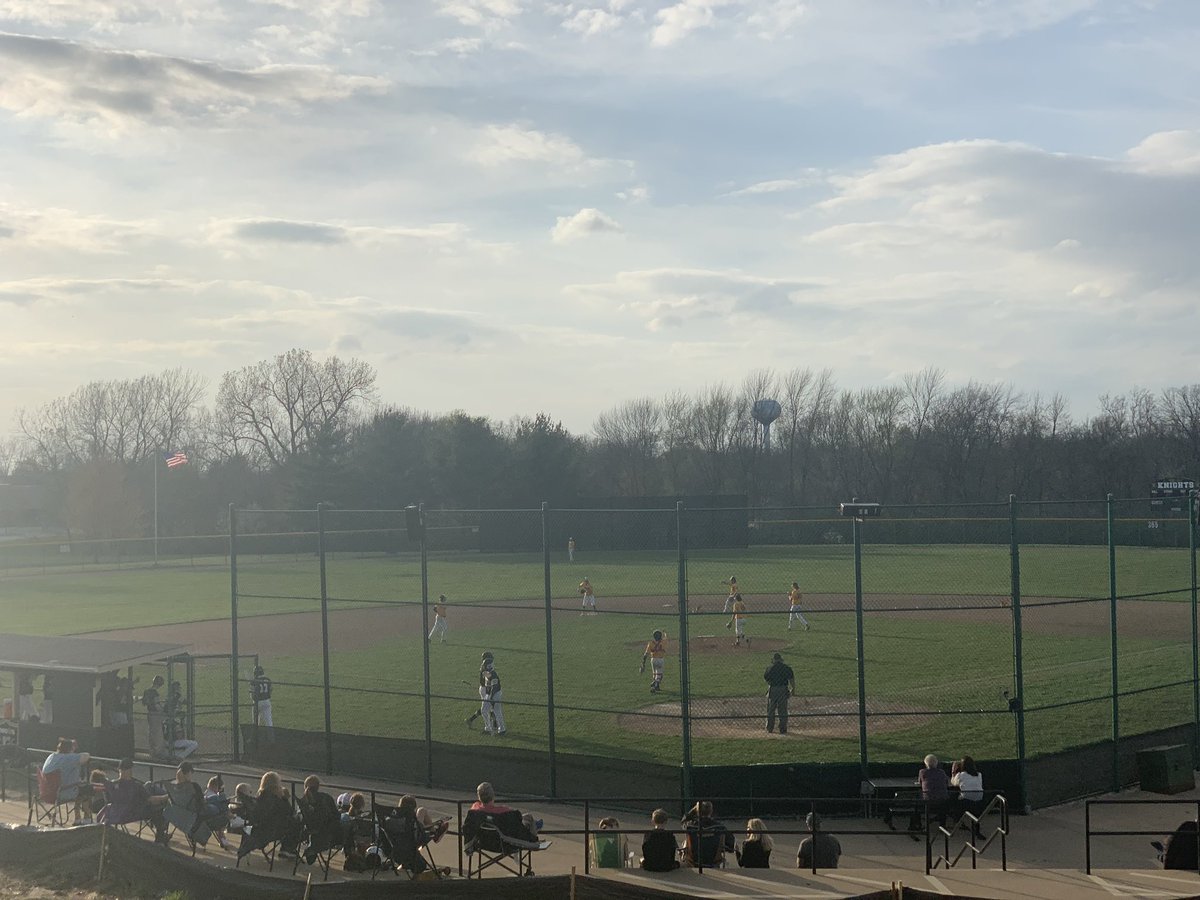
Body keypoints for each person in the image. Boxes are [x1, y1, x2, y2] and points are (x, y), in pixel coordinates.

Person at [97, 758, 169, 841]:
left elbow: (107, 798)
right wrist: (166, 797)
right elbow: (152, 800)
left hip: (115, 814)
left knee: (149, 786)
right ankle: (160, 836)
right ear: (130, 770)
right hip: (132, 813)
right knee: (158, 809)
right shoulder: (136, 786)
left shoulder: (111, 784)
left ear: (119, 769)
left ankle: (153, 788)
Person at [41, 737, 93, 824]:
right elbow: (86, 756)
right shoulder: (70, 758)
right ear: (70, 749)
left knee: (79, 788)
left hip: (47, 793)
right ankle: (86, 819)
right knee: (87, 789)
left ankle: (78, 818)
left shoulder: (51, 757)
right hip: (63, 792)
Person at [471, 782, 540, 840]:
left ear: (479, 796)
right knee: (528, 817)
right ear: (493, 795)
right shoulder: (503, 811)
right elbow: (516, 817)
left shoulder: (475, 808)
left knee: (525, 819)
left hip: (484, 841)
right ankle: (534, 832)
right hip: (505, 842)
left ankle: (535, 824)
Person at [297, 775, 342, 865]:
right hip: (327, 835)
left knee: (311, 827)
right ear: (318, 787)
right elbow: (336, 817)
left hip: (308, 832)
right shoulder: (326, 798)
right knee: (346, 825)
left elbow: (301, 818)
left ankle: (311, 847)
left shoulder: (303, 802)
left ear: (305, 787)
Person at [908, 754, 950, 838]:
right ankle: (942, 825)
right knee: (941, 802)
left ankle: (916, 825)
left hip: (928, 802)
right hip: (942, 801)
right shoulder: (942, 772)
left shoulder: (922, 772)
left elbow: (920, 783)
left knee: (916, 802)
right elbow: (946, 782)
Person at [681, 801, 733, 867]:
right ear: (711, 811)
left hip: (695, 859)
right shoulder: (719, 827)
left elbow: (683, 822)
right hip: (713, 860)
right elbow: (731, 844)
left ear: (697, 811)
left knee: (685, 843)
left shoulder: (690, 826)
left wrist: (693, 810)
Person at [951, 755, 985, 835]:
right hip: (979, 800)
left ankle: (957, 819)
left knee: (953, 799)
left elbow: (953, 783)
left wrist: (953, 772)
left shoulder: (961, 775)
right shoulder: (979, 774)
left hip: (966, 801)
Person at [764, 652, 795, 734]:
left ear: (774, 660)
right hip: (783, 690)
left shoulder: (769, 668)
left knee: (771, 710)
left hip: (773, 690)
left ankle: (770, 728)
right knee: (783, 710)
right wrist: (793, 689)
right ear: (780, 660)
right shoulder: (786, 668)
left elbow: (767, 679)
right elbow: (791, 679)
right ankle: (783, 728)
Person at [479, 652, 506, 736]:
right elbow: (484, 683)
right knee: (484, 711)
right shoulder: (486, 672)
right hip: (489, 694)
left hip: (495, 694)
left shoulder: (493, 674)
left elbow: (494, 688)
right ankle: (488, 728)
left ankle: (502, 729)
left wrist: (491, 698)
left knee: (497, 711)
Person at [141, 675, 165, 759]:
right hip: (155, 714)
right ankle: (158, 752)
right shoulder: (154, 692)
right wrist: (163, 711)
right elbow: (156, 704)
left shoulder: (146, 691)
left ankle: (152, 751)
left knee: (151, 732)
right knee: (158, 733)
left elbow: (144, 703)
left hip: (149, 713)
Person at [250, 665, 274, 741]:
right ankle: (271, 739)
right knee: (269, 721)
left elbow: (252, 695)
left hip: (257, 702)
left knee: (255, 722)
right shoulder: (268, 679)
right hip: (267, 702)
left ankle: (254, 738)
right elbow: (271, 690)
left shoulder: (254, 681)